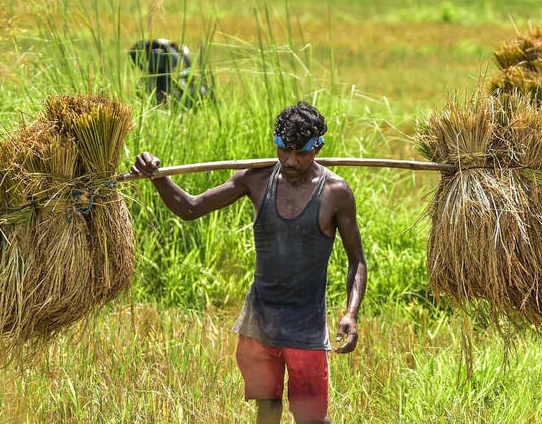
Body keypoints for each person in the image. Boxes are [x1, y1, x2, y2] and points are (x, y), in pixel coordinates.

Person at [131, 101, 367, 423]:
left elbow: (357, 260)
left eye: (301, 153)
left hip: (306, 328)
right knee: (266, 412)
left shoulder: (335, 193)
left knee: (312, 417)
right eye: (284, 149)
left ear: (318, 148)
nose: (290, 161)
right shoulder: (255, 180)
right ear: (276, 142)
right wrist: (157, 177)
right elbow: (190, 208)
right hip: (260, 323)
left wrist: (351, 314)